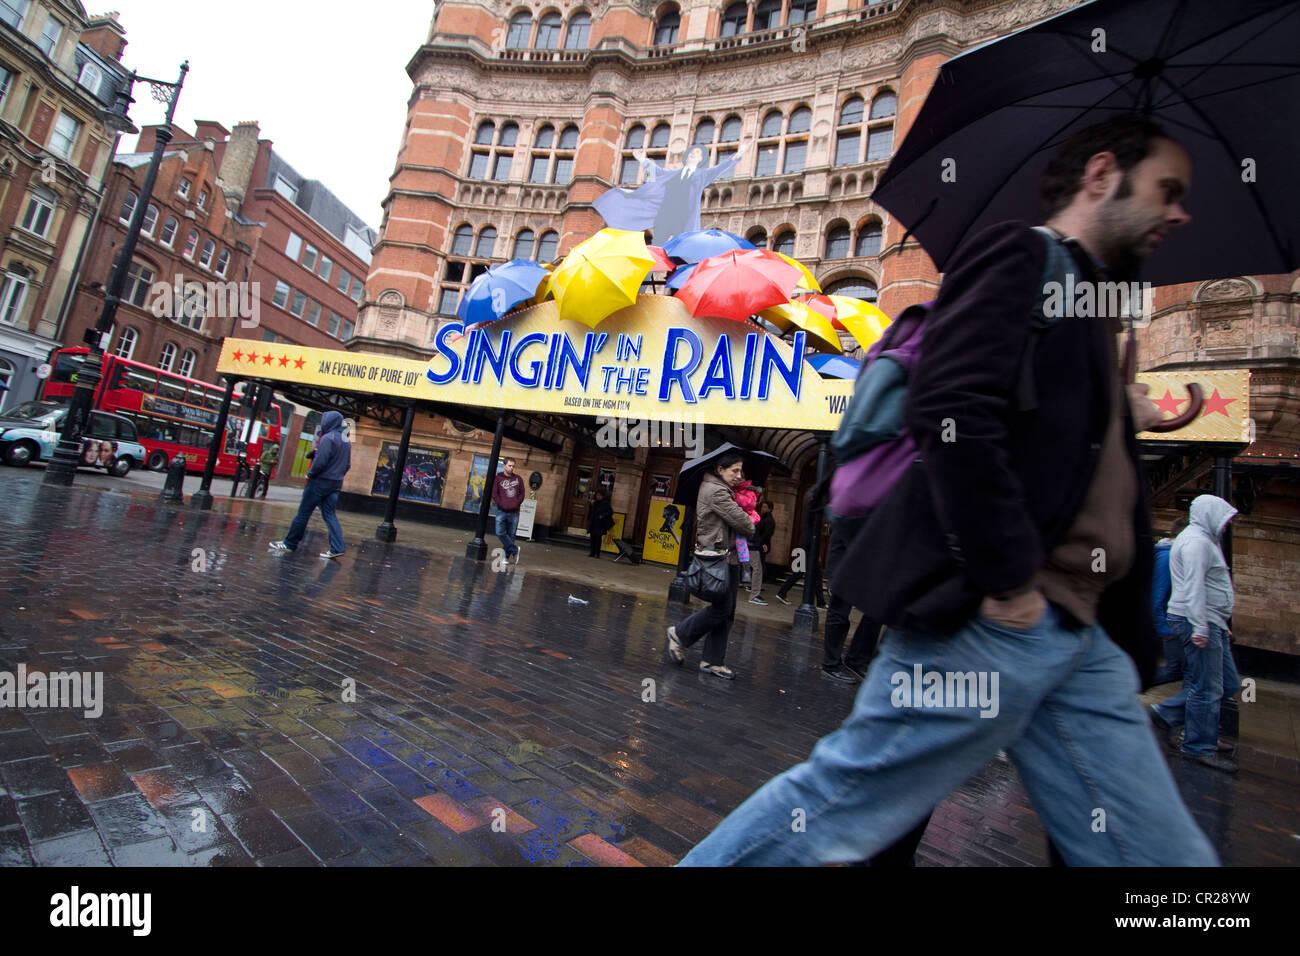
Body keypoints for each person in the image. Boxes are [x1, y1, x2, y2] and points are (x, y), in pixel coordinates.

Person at [678, 114, 1218, 866]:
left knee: (1151, 853)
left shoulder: (1092, 307)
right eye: (1168, 189)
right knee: (838, 806)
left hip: (1077, 632)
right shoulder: (1022, 255)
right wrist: (1006, 583)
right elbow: (953, 408)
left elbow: (1046, 432)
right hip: (1003, 619)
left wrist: (1126, 413)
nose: (1179, 211)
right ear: (1102, 175)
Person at [1150, 495, 1240, 772]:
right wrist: (1200, 626)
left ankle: (1172, 716)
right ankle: (1198, 745)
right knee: (1206, 687)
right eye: (1224, 518)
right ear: (1210, 514)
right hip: (1199, 623)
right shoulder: (1197, 543)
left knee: (1228, 684)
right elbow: (1193, 588)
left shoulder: (1200, 540)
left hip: (1211, 622)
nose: (1226, 525)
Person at [665, 452, 755, 679]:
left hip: (729, 557)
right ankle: (680, 633)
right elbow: (746, 526)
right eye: (734, 470)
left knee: (727, 612)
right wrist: (750, 514)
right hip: (719, 559)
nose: (739, 475)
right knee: (722, 609)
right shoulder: (717, 492)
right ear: (720, 470)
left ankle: (713, 661)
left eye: (740, 471)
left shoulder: (725, 491)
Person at [594, 142, 751, 243]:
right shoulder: (674, 174)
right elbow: (657, 172)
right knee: (659, 245)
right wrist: (643, 160)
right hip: (667, 214)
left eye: (697, 153)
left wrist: (738, 155)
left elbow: (720, 169)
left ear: (701, 159)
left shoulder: (702, 175)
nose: (692, 154)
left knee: (683, 246)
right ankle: (650, 278)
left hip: (685, 218)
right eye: (691, 152)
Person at [270, 410, 351, 559]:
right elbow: (347, 465)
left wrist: (310, 474)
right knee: (329, 514)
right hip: (335, 483)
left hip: (319, 482)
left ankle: (289, 543)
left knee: (303, 513)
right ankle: (337, 547)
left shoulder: (328, 438)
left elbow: (321, 462)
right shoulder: (345, 440)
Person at [821, 514, 883, 684]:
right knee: (839, 612)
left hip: (865, 559)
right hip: (846, 558)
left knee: (875, 610)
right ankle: (831, 664)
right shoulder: (856, 497)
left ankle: (857, 659)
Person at [1151, 514, 1190, 684]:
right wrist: (1165, 631)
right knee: (1176, 671)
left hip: (1174, 623)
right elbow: (1157, 597)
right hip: (1170, 625)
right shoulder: (1167, 557)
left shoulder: (1172, 555)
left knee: (1179, 671)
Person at [491, 457, 525, 564]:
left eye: (513, 466)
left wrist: (516, 503)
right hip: (502, 511)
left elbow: (522, 493)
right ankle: (515, 550)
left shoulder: (518, 479)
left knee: (511, 535)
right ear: (504, 466)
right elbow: (494, 494)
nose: (512, 468)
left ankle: (505, 557)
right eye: (510, 466)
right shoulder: (498, 479)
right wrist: (501, 504)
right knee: (499, 532)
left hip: (514, 512)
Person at [587, 488, 615, 558]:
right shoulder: (594, 502)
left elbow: (610, 512)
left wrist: (602, 516)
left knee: (598, 538)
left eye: (600, 495)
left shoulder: (606, 503)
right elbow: (591, 512)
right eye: (597, 495)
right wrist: (591, 505)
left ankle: (597, 553)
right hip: (593, 522)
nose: (598, 497)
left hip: (600, 523)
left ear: (603, 496)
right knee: (592, 538)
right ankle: (592, 552)